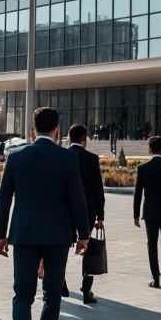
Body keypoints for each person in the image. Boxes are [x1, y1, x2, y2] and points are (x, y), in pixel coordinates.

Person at [0, 107, 90, 320]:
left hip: (24, 234)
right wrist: (84, 234)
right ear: (58, 130)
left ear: (33, 129)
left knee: (22, 295)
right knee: (52, 294)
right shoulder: (68, 157)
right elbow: (78, 199)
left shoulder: (16, 156)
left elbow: (3, 198)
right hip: (58, 236)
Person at [65, 123, 106, 303]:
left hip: (64, 209)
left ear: (68, 137)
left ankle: (61, 284)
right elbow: (98, 189)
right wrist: (100, 216)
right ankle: (86, 289)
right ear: (84, 139)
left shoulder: (62, 156)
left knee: (62, 247)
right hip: (87, 211)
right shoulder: (91, 158)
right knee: (87, 248)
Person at [133, 136, 161, 288]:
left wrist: (135, 215)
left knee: (152, 244)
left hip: (150, 213)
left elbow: (138, 193)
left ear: (149, 149)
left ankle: (156, 278)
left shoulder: (143, 168)